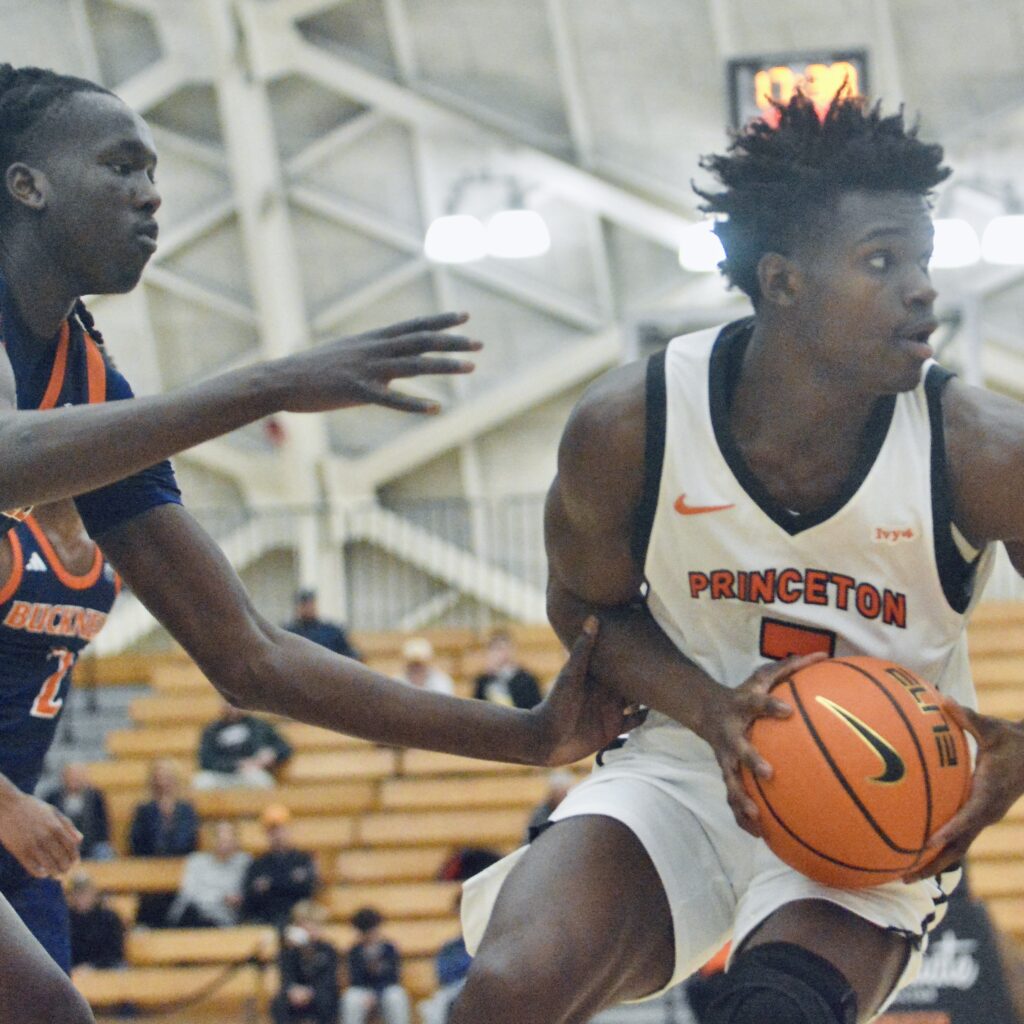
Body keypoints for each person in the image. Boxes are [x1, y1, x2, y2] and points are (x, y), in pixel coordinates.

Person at [0, 62, 635, 1024]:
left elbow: (251, 658)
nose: (152, 192)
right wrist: (265, 385)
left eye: (156, 170)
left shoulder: (90, 387)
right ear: (27, 183)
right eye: (122, 165)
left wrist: (529, 736)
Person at [454, 92, 1024, 1024]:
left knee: (775, 1015)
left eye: (924, 260)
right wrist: (710, 709)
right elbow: (586, 613)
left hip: (880, 784)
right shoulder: (628, 426)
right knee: (507, 992)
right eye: (883, 261)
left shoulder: (985, 449)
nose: (923, 289)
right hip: (685, 756)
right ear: (784, 282)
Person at [0, 500, 120, 974]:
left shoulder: (116, 539)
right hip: (10, 808)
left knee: (57, 1006)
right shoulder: (10, 539)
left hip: (16, 830)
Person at [129, 759, 199, 927]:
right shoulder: (144, 810)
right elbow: (136, 842)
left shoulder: (185, 809)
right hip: (150, 869)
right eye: (159, 777)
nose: (163, 782)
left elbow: (189, 840)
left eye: (166, 777)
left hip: (180, 867)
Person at [241, 805, 317, 926]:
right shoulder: (258, 864)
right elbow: (250, 897)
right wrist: (290, 881)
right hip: (267, 919)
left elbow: (309, 889)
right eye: (272, 831)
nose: (277, 835)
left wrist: (271, 885)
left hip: (297, 920)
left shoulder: (302, 859)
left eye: (281, 829)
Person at [167, 819, 251, 928]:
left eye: (230, 838)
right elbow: (188, 893)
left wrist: (237, 900)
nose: (225, 843)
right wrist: (221, 898)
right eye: (221, 839)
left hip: (225, 921)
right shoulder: (195, 861)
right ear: (212, 840)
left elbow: (245, 894)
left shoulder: (244, 862)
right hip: (194, 917)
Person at [193, 701, 293, 790]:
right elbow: (205, 760)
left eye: (234, 702)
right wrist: (236, 765)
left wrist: (272, 754)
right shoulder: (212, 730)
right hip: (221, 774)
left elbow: (285, 748)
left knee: (263, 782)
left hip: (252, 772)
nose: (232, 707)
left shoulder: (259, 726)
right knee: (202, 782)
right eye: (227, 702)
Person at [271, 900, 340, 1024]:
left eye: (316, 925)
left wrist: (310, 992)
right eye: (305, 925)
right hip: (296, 992)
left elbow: (328, 979)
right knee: (279, 1002)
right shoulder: (288, 951)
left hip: (319, 992)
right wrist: (293, 990)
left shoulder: (328, 950)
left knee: (326, 1000)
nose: (311, 929)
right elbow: (286, 977)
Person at [341, 906, 411, 1024]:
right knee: (350, 998)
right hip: (362, 991)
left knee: (396, 996)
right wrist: (369, 993)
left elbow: (394, 976)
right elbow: (355, 978)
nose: (371, 935)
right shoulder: (355, 951)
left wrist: (377, 993)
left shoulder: (389, 949)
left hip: (386, 989)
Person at [42, 763, 114, 861]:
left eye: (78, 777)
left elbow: (103, 824)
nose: (75, 780)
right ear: (64, 778)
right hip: (60, 844)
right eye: (72, 777)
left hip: (91, 844)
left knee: (104, 852)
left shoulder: (96, 797)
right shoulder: (52, 797)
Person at [66, 872, 124, 970]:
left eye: (85, 892)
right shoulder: (65, 920)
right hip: (73, 970)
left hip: (106, 968)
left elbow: (115, 953)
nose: (81, 897)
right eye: (77, 892)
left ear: (94, 894)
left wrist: (92, 967)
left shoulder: (109, 918)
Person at [472, 630, 542, 709]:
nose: (503, 653)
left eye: (505, 648)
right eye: (496, 649)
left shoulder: (527, 680)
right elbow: (476, 711)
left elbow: (535, 710)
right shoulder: (483, 681)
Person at [285, 589, 361, 660]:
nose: (308, 608)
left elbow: (349, 654)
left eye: (310, 604)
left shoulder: (331, 631)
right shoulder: (289, 633)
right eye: (303, 605)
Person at [523, 769, 574, 841]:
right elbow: (529, 841)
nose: (560, 796)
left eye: (563, 793)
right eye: (558, 792)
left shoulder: (574, 812)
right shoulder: (540, 815)